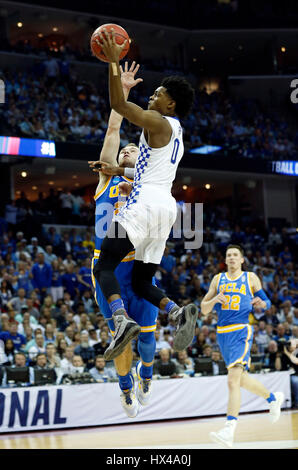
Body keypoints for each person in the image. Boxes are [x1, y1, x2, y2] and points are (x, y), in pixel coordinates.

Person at [93, 31, 197, 370]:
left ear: (171, 104)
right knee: (141, 281)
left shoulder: (157, 120)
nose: (152, 95)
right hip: (165, 208)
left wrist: (112, 64)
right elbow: (148, 167)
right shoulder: (176, 131)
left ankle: (121, 321)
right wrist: (117, 167)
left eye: (158, 93)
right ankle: (178, 312)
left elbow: (119, 107)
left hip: (146, 206)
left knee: (103, 266)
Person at [88, 61, 159, 418]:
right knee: (124, 337)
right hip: (109, 266)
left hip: (140, 267)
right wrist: (122, 88)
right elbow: (114, 129)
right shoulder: (106, 180)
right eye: (124, 151)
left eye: (134, 150)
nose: (126, 151)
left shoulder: (147, 185)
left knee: (147, 339)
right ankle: (126, 388)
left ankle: (147, 375)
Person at [201, 244, 285, 448]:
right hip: (222, 334)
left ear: (241, 260)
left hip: (241, 330)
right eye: (228, 255)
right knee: (240, 379)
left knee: (232, 381)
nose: (231, 258)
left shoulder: (250, 278)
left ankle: (229, 430)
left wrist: (261, 303)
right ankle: (273, 398)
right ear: (225, 259)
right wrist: (213, 300)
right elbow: (204, 309)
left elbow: (266, 302)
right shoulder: (218, 279)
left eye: (235, 255)